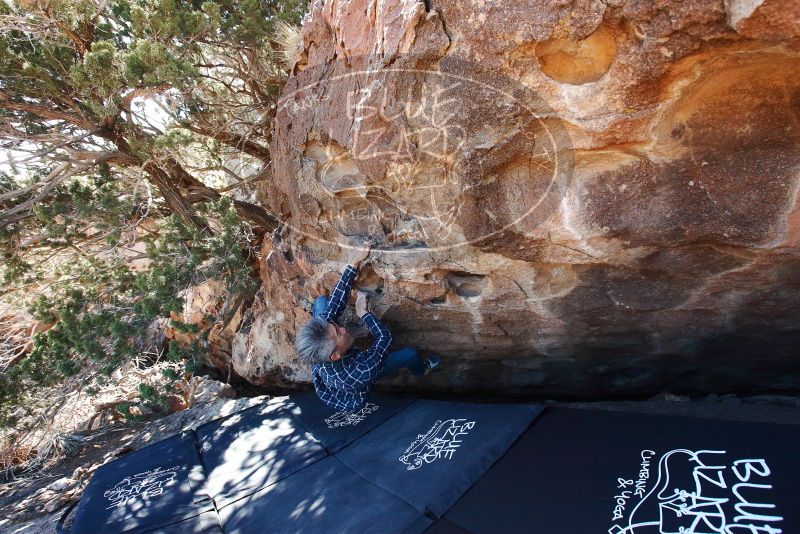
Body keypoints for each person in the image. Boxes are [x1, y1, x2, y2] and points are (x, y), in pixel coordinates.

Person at [294, 251, 441, 412]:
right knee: (410, 354)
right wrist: (363, 313)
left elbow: (335, 304)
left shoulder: (324, 346)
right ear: (335, 355)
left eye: (335, 326)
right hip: (353, 394)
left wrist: (351, 266)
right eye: (338, 333)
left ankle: (322, 323)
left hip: (331, 372)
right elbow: (384, 338)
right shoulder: (363, 369)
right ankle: (421, 370)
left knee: (323, 303)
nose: (342, 328)